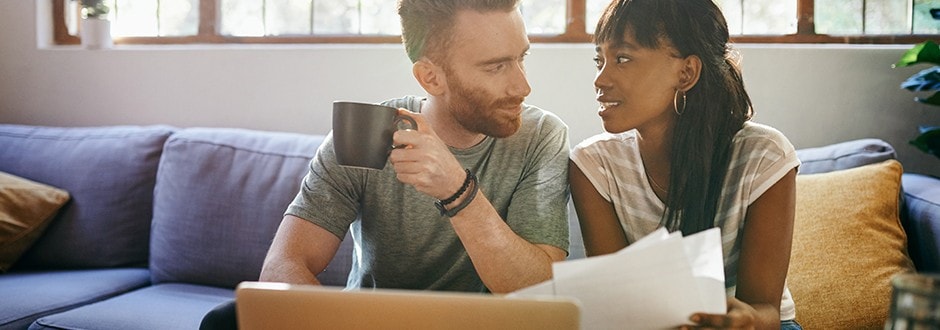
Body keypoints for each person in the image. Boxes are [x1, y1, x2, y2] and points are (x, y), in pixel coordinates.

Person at [200, 0, 570, 328]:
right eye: (496, 67)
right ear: (431, 77)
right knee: (226, 320)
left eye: (522, 58)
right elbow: (283, 265)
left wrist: (458, 191)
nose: (523, 87)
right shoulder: (367, 134)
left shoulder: (541, 137)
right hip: (365, 325)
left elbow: (538, 290)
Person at [568, 0, 801, 329]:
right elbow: (618, 303)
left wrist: (740, 318)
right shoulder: (593, 166)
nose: (600, 80)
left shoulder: (764, 157)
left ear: (686, 72)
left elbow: (766, 310)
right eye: (599, 61)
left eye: (622, 58)